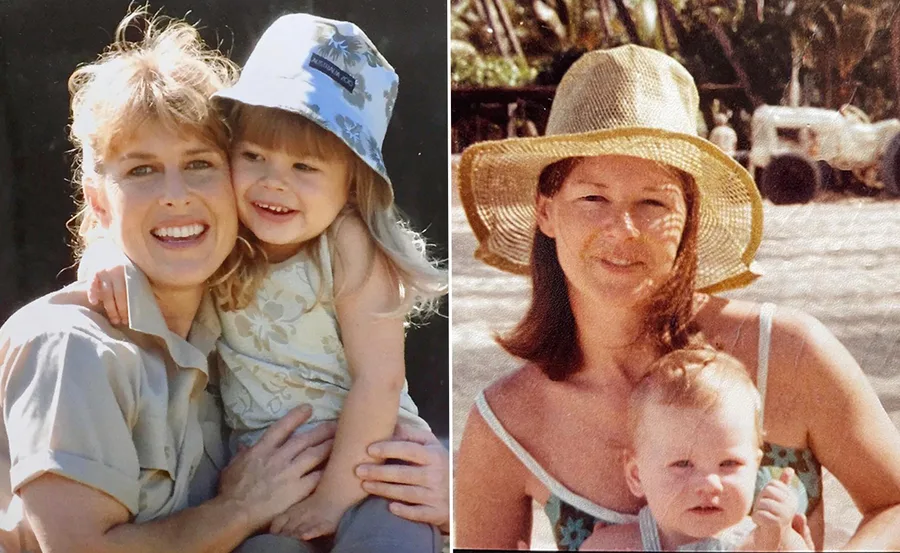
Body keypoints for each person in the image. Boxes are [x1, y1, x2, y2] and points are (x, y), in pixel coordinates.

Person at [0, 10, 448, 553]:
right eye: (142, 171)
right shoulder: (76, 344)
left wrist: (436, 488)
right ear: (98, 201)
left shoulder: (243, 285)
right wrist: (103, 252)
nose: (177, 196)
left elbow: (379, 386)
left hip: (355, 482)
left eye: (200, 164)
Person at [454, 45, 900, 550]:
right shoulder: (506, 423)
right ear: (546, 211)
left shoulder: (788, 354)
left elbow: (894, 503)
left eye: (652, 202)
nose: (622, 230)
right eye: (593, 197)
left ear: (690, 215)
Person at [580, 348, 807, 551]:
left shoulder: (775, 541)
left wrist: (777, 537)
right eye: (683, 464)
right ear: (637, 475)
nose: (709, 484)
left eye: (729, 464)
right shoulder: (615, 545)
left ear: (755, 467)